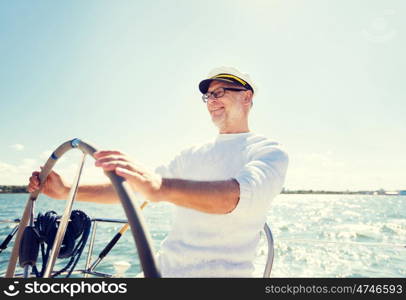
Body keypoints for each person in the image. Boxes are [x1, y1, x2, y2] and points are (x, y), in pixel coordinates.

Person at [28, 66, 289, 277]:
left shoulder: (269, 152)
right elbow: (135, 190)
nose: (211, 101)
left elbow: (234, 197)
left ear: (246, 97)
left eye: (219, 92)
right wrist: (65, 192)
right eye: (208, 96)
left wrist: (159, 187)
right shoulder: (191, 154)